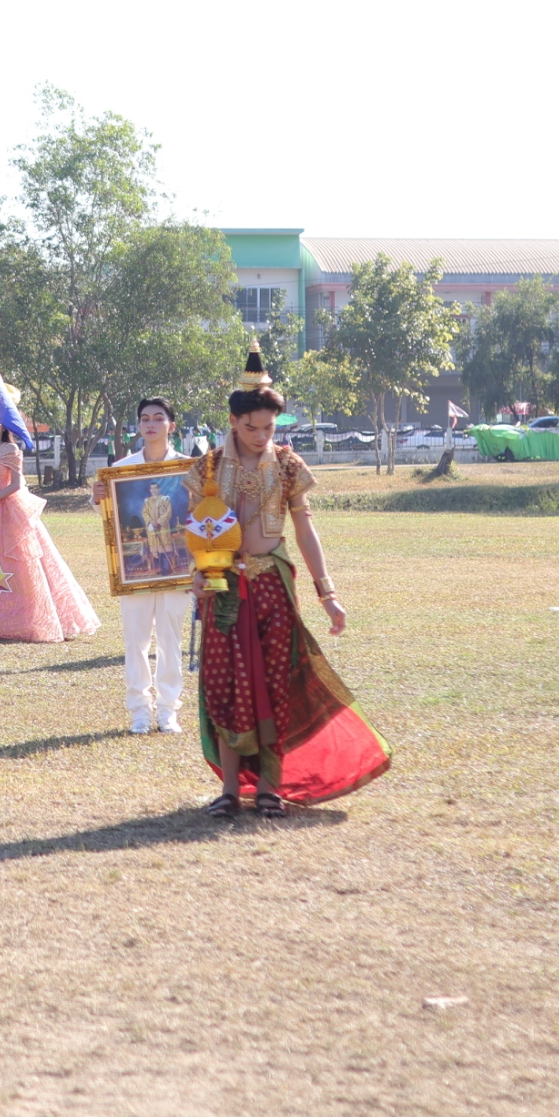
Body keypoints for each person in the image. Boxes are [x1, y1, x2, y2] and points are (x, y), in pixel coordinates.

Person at [188, 342, 391, 817]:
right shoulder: (207, 467)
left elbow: (305, 529)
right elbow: (193, 529)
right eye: (251, 427)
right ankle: (230, 790)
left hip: (272, 587)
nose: (262, 436)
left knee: (274, 683)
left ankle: (269, 789)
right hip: (222, 588)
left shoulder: (287, 465)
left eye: (269, 427)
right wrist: (194, 575)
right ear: (233, 421)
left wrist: (328, 593)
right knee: (225, 683)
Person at [0, 416, 100, 642]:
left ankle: (22, 619)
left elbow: (15, 485)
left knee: (18, 564)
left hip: (7, 508)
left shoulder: (11, 450)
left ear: (3, 427)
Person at [96, 396, 195, 735]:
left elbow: (201, 513)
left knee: (170, 638)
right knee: (136, 640)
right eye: (145, 419)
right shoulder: (123, 469)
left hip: (177, 567)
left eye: (158, 418)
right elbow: (113, 516)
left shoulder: (188, 469)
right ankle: (139, 710)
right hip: (134, 571)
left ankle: (168, 710)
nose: (150, 424)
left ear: (171, 425)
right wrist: (99, 498)